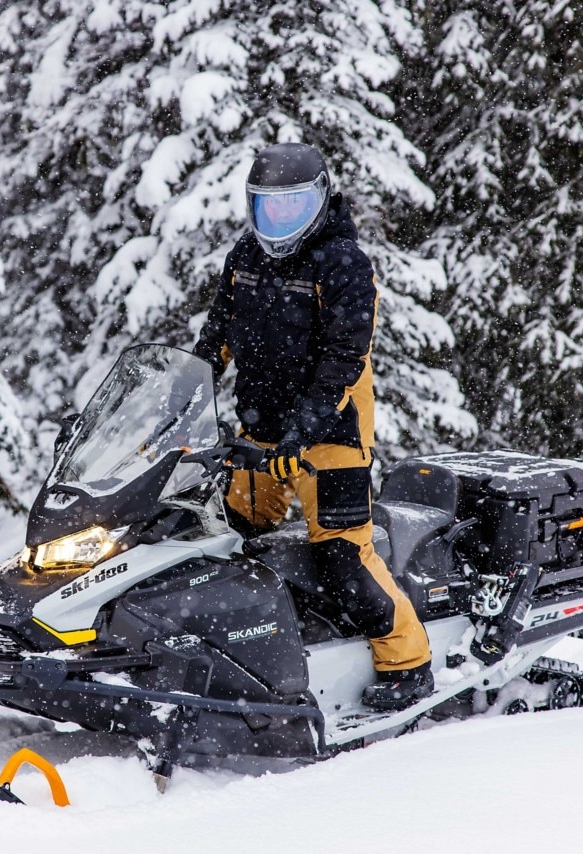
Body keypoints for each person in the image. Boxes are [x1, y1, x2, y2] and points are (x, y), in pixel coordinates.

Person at [193, 142, 434, 711]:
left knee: (344, 556)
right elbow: (215, 338)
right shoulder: (245, 257)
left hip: (331, 437)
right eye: (267, 208)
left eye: (293, 207)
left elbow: (342, 360)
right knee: (226, 537)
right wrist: (179, 400)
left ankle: (409, 662)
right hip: (260, 433)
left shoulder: (344, 264)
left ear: (321, 201)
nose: (279, 222)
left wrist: (302, 435)